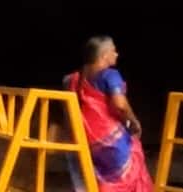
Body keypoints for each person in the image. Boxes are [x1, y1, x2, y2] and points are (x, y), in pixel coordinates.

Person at [65, 36, 153, 192]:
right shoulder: (110, 75)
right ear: (104, 55)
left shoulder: (71, 79)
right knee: (132, 167)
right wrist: (133, 121)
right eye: (113, 50)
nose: (117, 54)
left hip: (87, 140)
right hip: (111, 141)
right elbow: (120, 105)